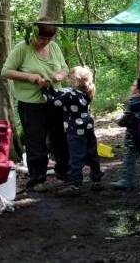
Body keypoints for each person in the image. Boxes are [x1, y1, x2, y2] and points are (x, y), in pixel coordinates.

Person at [2, 22, 69, 192]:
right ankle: (37, 179)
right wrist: (31, 77)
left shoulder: (54, 47)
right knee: (35, 141)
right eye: (41, 38)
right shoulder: (22, 48)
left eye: (48, 38)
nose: (44, 42)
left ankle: (64, 172)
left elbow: (64, 68)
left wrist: (58, 75)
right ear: (34, 34)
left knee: (59, 137)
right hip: (31, 104)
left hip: (54, 100)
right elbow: (6, 71)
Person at [42, 66, 100, 197]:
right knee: (92, 154)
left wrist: (44, 90)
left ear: (74, 80)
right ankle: (96, 179)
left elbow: (53, 102)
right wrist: (51, 88)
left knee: (75, 157)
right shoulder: (85, 92)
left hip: (75, 131)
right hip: (88, 128)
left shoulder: (70, 94)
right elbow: (59, 95)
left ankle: (75, 184)